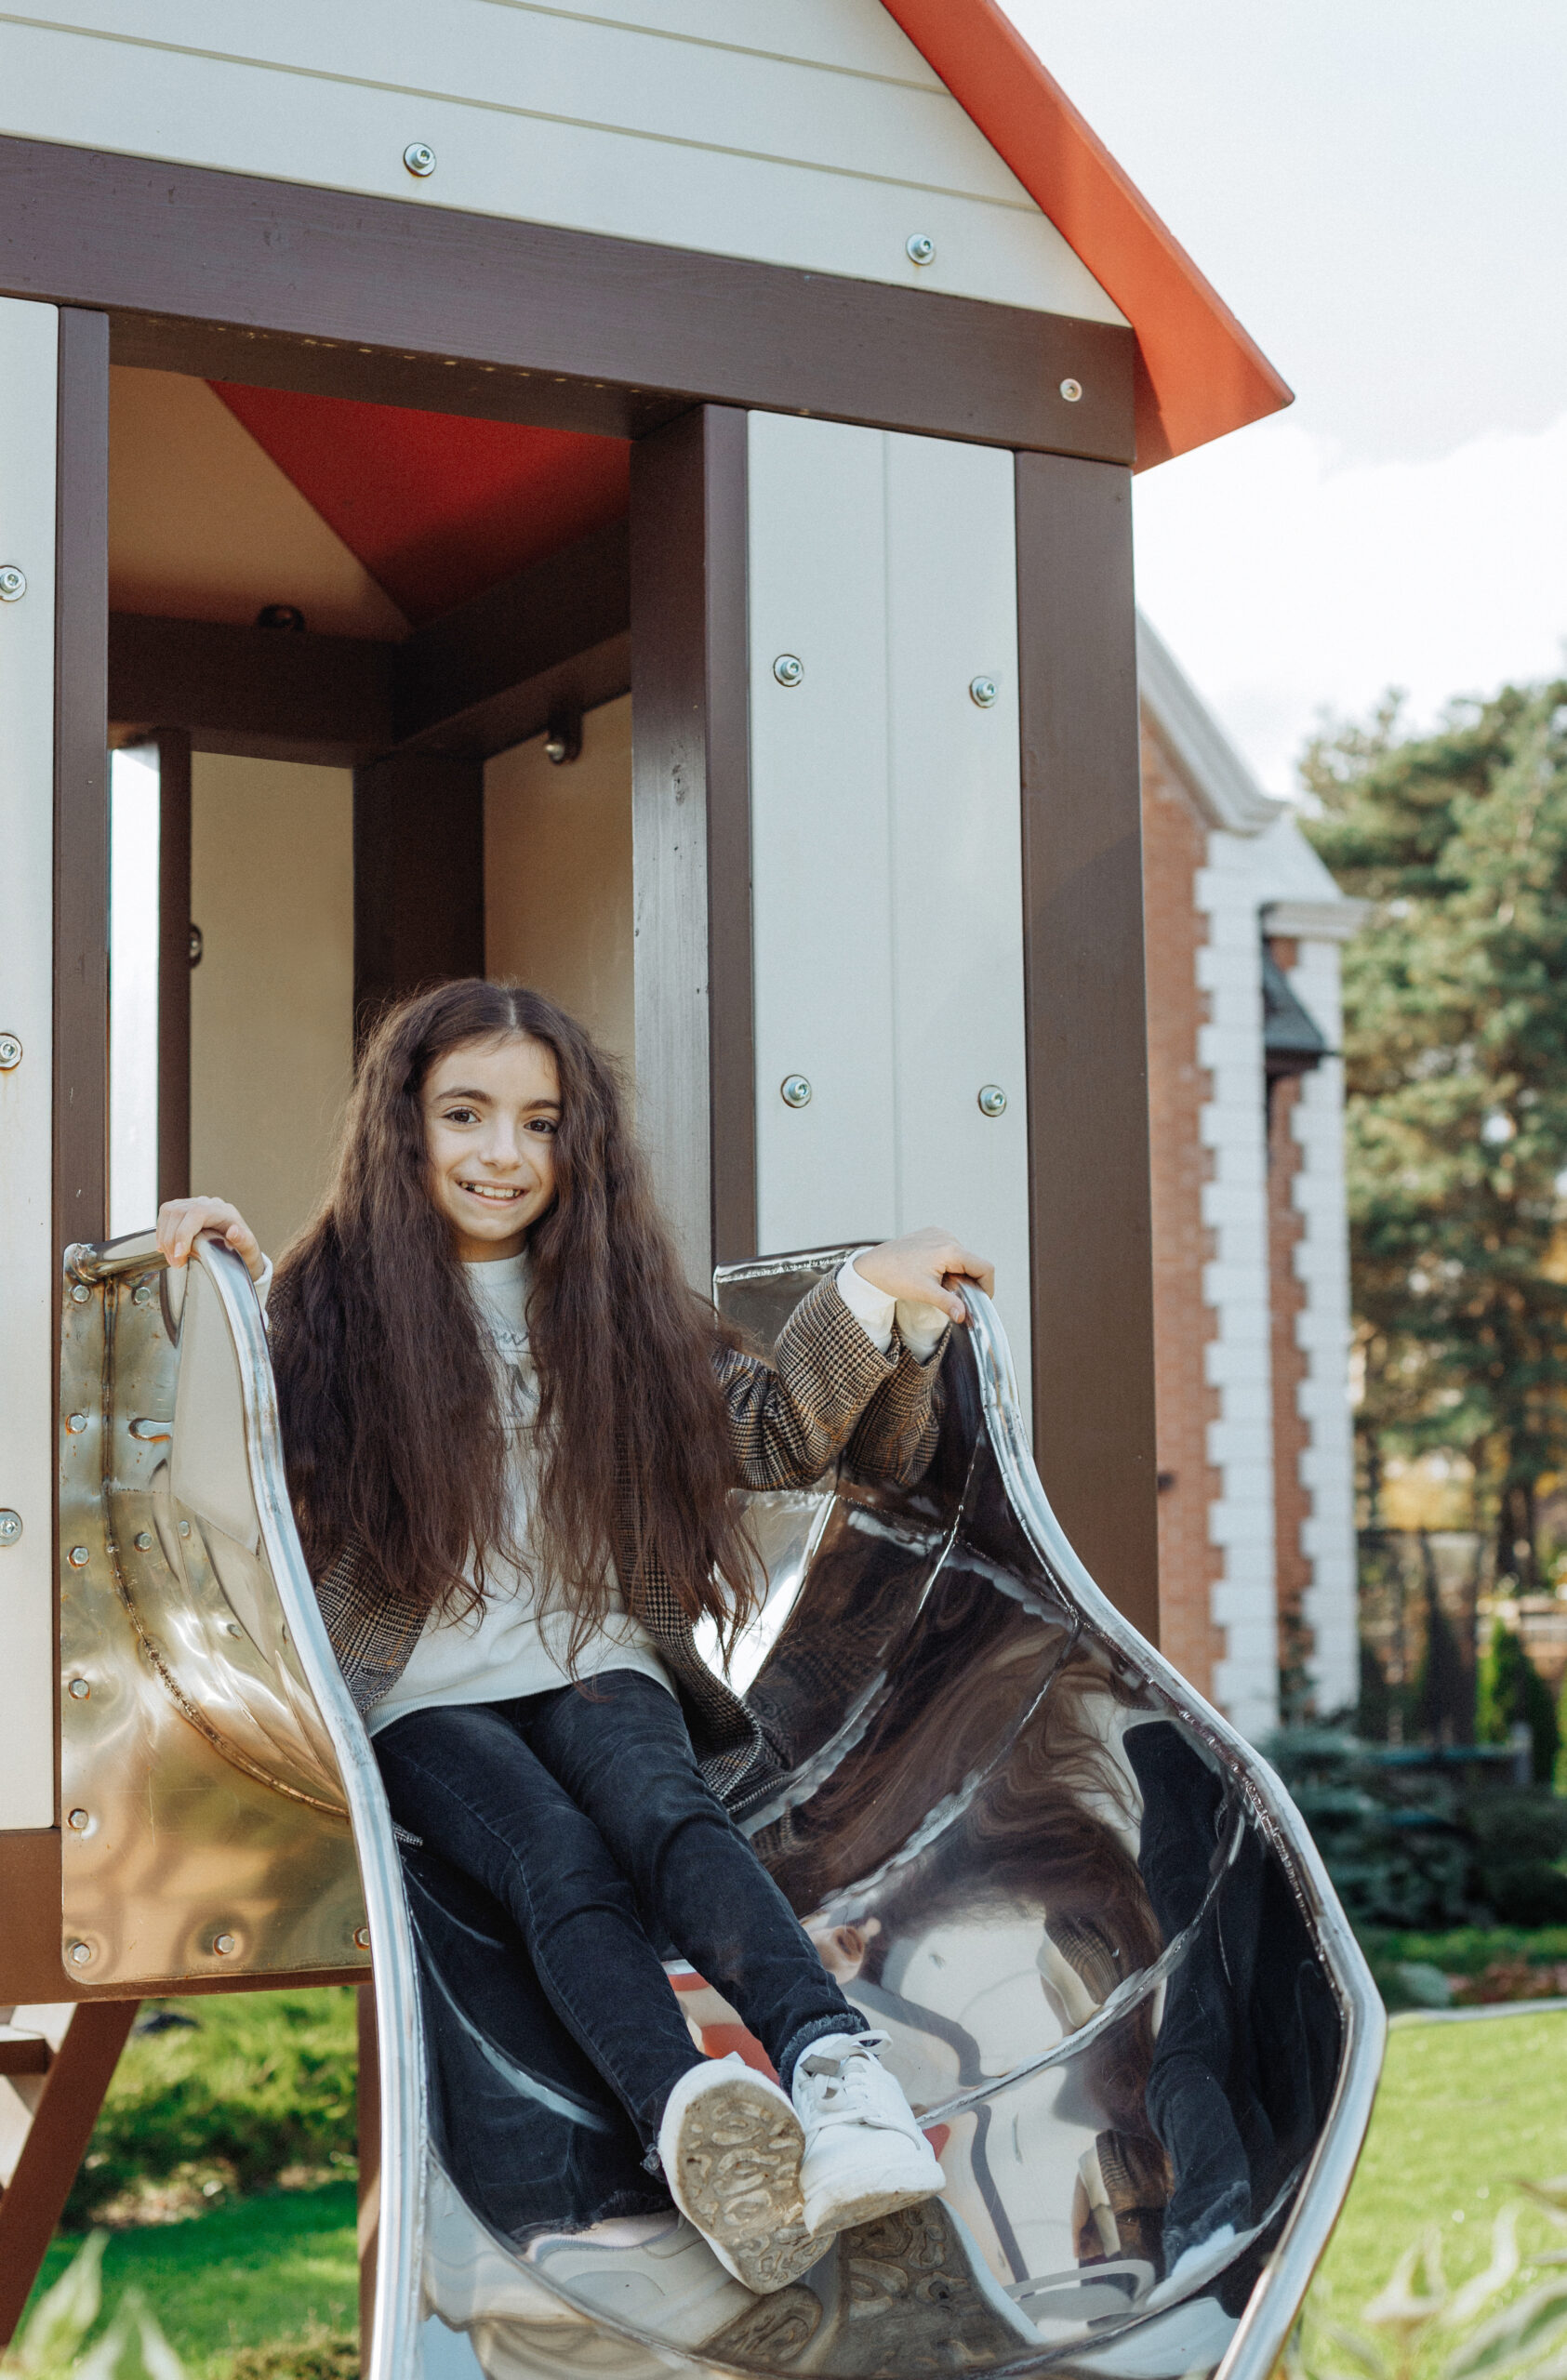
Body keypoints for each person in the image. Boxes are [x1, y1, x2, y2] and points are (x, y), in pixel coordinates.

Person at [154, 978, 995, 2297]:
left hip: (594, 1654)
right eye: (465, 1114)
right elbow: (247, 1462)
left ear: (577, 1143)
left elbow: (774, 1436)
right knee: (552, 1855)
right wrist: (220, 1282)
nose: (503, 1153)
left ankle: (838, 2076)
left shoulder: (615, 1308)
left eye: (539, 1123)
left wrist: (872, 1295)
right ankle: (690, 2113)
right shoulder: (327, 1312)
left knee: (664, 1811)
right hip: (420, 1693)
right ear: (401, 1125)